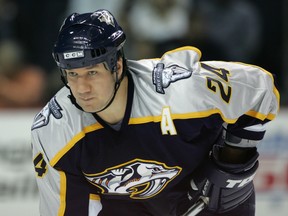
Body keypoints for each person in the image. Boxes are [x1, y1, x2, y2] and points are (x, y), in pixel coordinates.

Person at [30, 9, 280, 216]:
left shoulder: (181, 89)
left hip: (208, 204)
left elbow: (258, 87)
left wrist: (231, 164)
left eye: (92, 72)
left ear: (116, 65)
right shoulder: (56, 130)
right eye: (72, 75)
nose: (81, 88)